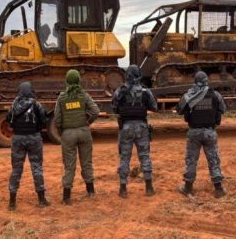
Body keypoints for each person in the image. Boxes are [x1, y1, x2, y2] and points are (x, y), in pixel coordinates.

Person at [177, 71, 226, 198]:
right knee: (213, 159)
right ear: (206, 81)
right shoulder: (215, 95)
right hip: (210, 132)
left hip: (194, 132)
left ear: (195, 81)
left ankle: (188, 188)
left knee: (191, 160)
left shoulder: (188, 96)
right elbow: (223, 109)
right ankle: (219, 189)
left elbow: (179, 110)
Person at [54, 69, 100, 205]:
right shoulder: (84, 95)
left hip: (68, 134)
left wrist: (62, 131)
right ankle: (90, 191)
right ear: (79, 80)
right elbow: (96, 111)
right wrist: (88, 122)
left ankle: (67, 197)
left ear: (67, 80)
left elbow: (57, 119)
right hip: (84, 132)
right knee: (86, 163)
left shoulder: (62, 97)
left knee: (69, 166)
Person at [111, 65, 158, 198]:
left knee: (124, 157)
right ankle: (149, 188)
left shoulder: (120, 91)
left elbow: (114, 108)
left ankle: (123, 189)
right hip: (142, 127)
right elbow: (154, 107)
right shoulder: (145, 91)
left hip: (126, 127)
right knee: (144, 156)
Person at [6, 82, 49, 210]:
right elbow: (44, 120)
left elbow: (9, 120)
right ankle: (41, 200)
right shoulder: (36, 104)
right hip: (34, 138)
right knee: (37, 168)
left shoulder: (13, 105)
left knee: (16, 170)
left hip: (18, 138)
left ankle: (12, 202)